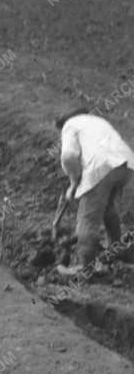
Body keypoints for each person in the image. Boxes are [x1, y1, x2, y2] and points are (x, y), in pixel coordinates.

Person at [55, 109, 134, 276]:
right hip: (126, 165)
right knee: (107, 208)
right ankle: (116, 250)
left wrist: (74, 182)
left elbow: (69, 156)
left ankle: (84, 266)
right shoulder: (97, 121)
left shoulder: (69, 125)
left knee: (88, 218)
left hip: (102, 166)